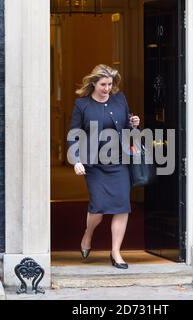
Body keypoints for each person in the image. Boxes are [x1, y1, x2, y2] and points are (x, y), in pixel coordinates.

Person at [68, 64, 140, 269]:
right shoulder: (82, 105)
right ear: (93, 83)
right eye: (103, 84)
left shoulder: (120, 99)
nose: (107, 88)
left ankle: (116, 252)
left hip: (119, 162)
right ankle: (87, 235)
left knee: (122, 206)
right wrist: (76, 160)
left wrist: (134, 123)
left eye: (109, 84)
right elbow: (74, 134)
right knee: (98, 206)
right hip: (94, 163)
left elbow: (126, 129)